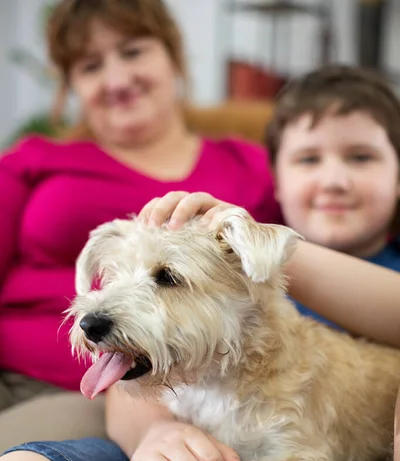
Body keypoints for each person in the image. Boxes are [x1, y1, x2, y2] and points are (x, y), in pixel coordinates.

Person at [2, 64, 400, 461]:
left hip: (301, 456)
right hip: (179, 435)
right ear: (274, 180)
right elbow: (130, 393)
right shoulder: (218, 244)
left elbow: (304, 458)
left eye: (361, 156)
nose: (333, 178)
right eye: (308, 158)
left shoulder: (243, 256)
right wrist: (153, 430)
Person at [0, 0, 279, 415]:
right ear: (71, 85)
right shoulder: (33, 160)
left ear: (173, 56)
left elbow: (329, 246)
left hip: (114, 398)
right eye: (91, 66)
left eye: (133, 52)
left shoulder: (250, 166)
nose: (116, 79)